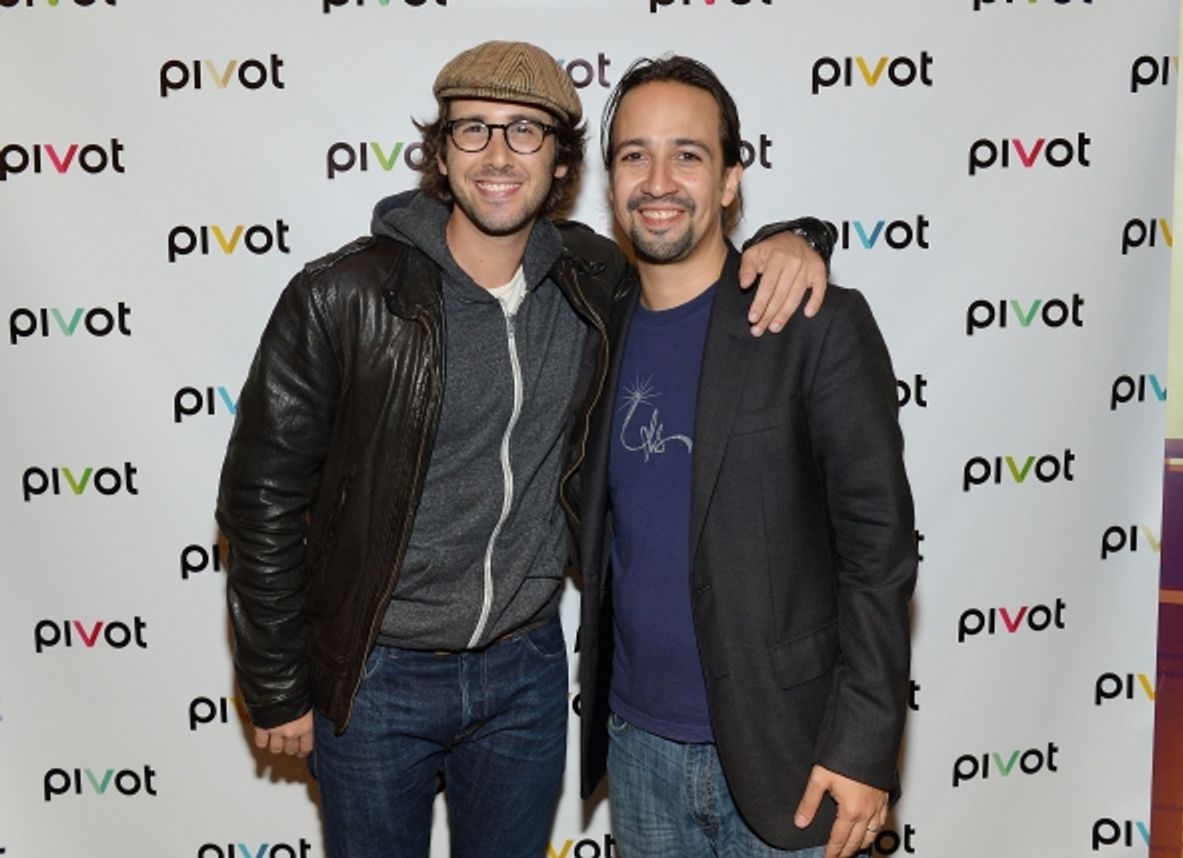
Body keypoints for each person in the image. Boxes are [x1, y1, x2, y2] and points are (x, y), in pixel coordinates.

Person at [216, 40, 829, 858]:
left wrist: (798, 236)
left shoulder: (593, 279)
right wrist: (276, 681)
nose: (498, 155)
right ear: (440, 151)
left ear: (563, 164)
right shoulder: (343, 298)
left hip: (525, 678)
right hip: (375, 677)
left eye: (525, 132)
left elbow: (702, 263)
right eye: (473, 129)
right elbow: (258, 500)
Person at [576, 55, 917, 858]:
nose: (658, 180)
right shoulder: (595, 314)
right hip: (637, 753)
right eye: (634, 155)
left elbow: (879, 553)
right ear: (611, 178)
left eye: (687, 155)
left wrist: (864, 747)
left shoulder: (814, 322)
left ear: (731, 178)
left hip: (793, 760)